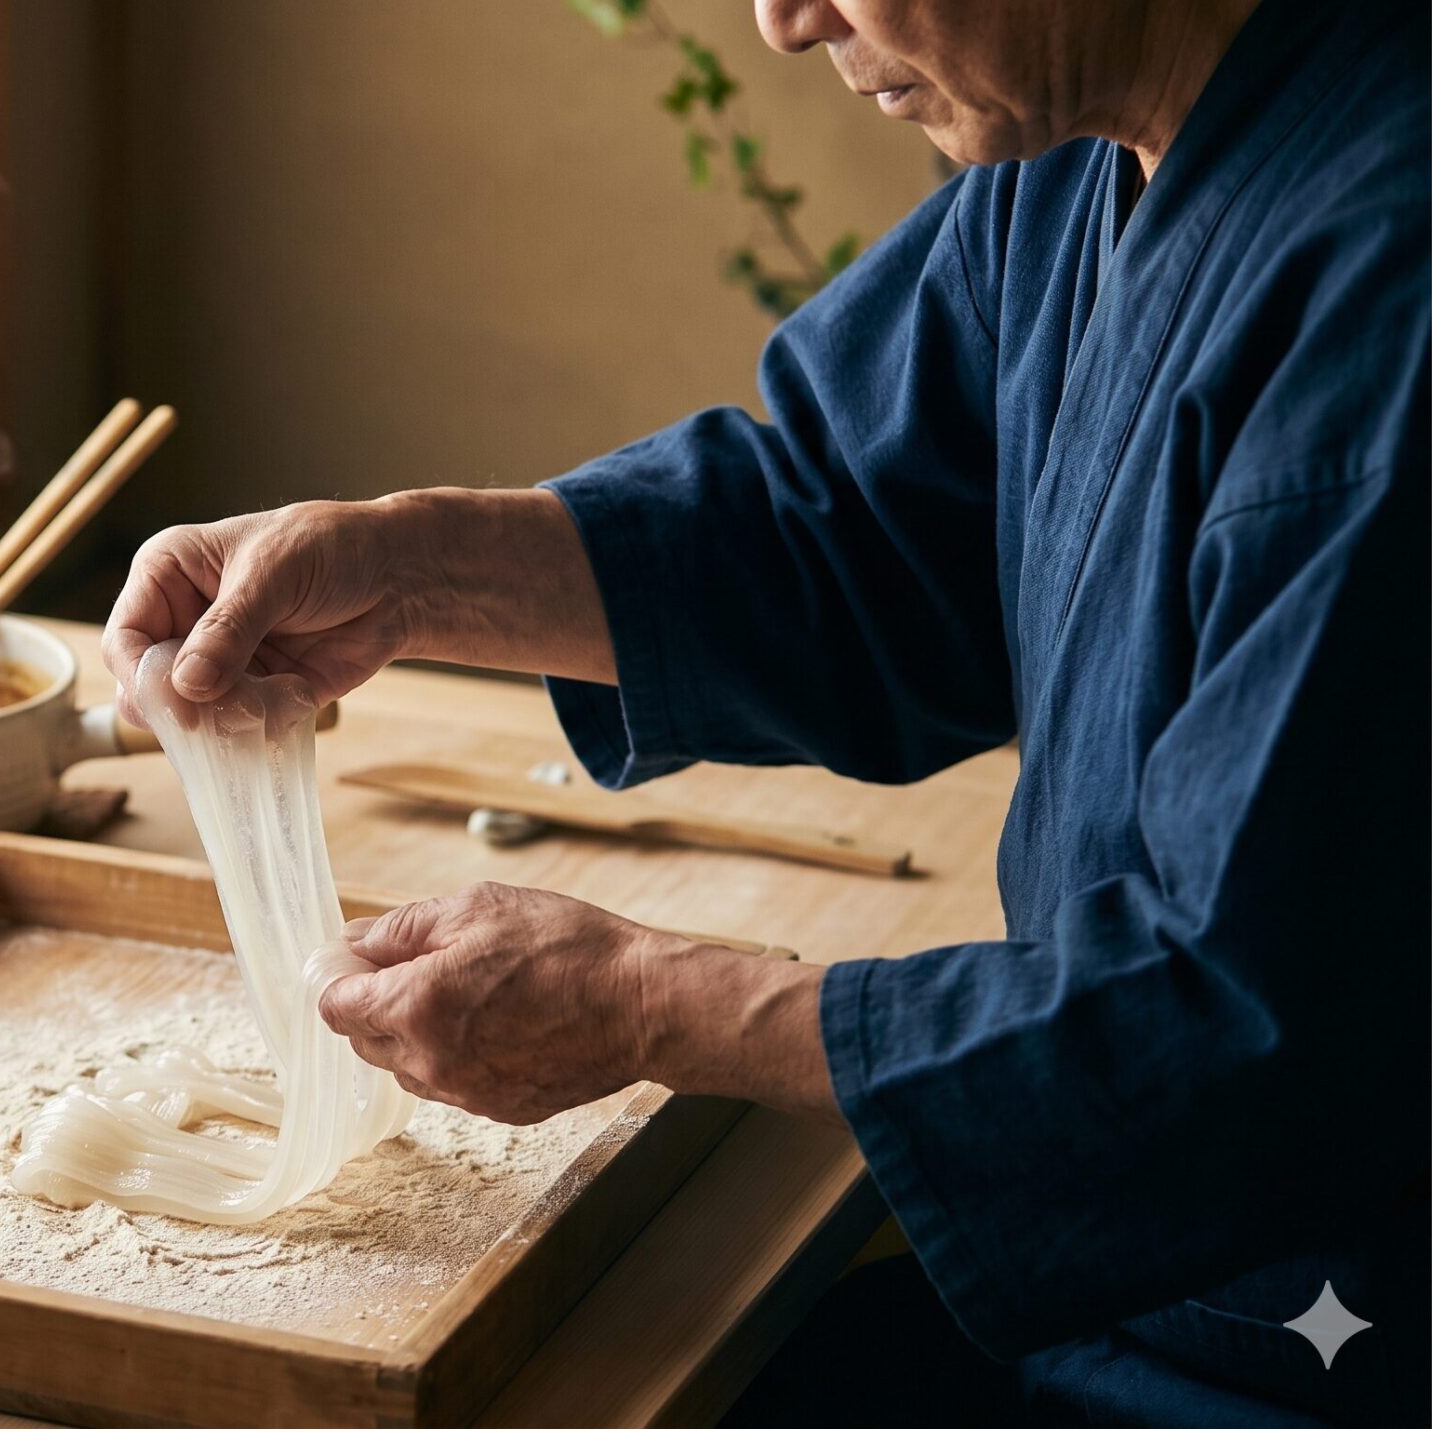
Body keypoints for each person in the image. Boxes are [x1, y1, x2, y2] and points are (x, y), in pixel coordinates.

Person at [101, 0, 1426, 1422]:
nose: (785, 22)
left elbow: (1239, 1021)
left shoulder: (1390, 280)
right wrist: (403, 570)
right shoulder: (1075, 155)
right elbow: (856, 529)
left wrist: (657, 1002)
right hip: (1141, 1290)